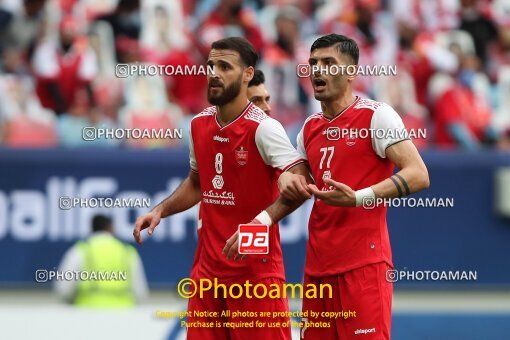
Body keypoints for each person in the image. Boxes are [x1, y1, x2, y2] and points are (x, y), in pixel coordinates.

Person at [133, 37, 308, 340]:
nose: (214, 72)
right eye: (211, 65)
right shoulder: (198, 124)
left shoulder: (264, 128)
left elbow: (299, 185)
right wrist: (160, 209)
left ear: (247, 74)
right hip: (207, 275)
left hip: (254, 274)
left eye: (224, 66)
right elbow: (196, 183)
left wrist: (256, 226)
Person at [258, 34, 430, 339]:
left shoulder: (377, 115)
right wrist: (262, 220)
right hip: (318, 270)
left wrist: (358, 198)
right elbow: (299, 187)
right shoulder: (309, 128)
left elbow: (418, 174)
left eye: (328, 63)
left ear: (351, 72)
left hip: (363, 267)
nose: (317, 71)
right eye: (313, 63)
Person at [55, 215, 148, 308]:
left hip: (87, 314)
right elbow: (140, 292)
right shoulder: (127, 252)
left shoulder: (81, 250)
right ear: (111, 228)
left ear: (92, 228)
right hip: (122, 314)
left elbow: (63, 289)